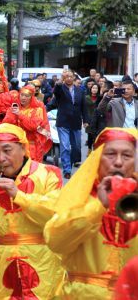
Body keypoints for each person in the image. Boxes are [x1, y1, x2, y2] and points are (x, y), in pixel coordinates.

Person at [0, 123, 64, 299]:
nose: (1, 158)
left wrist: (19, 196)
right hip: (3, 265)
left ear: (22, 148)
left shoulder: (48, 174)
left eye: (7, 150)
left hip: (42, 263)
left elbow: (56, 215)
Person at [44, 127, 137, 299]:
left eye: (126, 156)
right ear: (96, 158)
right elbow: (55, 242)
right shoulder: (78, 194)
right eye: (110, 154)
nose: (118, 162)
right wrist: (97, 207)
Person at [54, 69, 89, 179]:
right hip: (63, 122)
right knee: (65, 147)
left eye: (71, 76)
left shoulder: (80, 90)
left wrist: (86, 120)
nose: (69, 78)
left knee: (77, 147)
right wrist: (60, 80)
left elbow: (83, 106)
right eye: (66, 76)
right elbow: (56, 92)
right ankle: (67, 169)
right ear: (64, 78)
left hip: (76, 122)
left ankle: (73, 161)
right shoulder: (60, 88)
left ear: (74, 77)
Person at [2, 85, 52, 162]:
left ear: (31, 97)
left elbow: (33, 126)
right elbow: (6, 125)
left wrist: (20, 115)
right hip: (16, 146)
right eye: (22, 95)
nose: (23, 98)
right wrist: (12, 114)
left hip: (32, 146)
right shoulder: (14, 108)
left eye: (27, 96)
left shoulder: (37, 109)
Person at [85, 83, 101, 152]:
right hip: (89, 119)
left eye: (96, 88)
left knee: (96, 135)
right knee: (90, 135)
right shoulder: (86, 97)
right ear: (91, 89)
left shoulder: (100, 98)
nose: (94, 90)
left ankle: (95, 150)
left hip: (98, 119)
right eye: (93, 88)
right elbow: (84, 109)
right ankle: (89, 149)